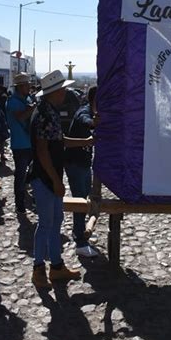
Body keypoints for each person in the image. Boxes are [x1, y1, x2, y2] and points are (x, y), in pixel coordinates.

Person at [30, 70, 93, 289]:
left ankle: (56, 267)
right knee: (46, 224)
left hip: (50, 176)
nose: (65, 92)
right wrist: (56, 180)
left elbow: (60, 141)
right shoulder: (45, 115)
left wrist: (86, 141)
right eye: (62, 89)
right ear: (54, 91)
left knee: (54, 223)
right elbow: (42, 151)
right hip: (45, 177)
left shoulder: (49, 112)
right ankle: (39, 269)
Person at [65, 86, 98, 257]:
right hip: (76, 164)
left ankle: (78, 231)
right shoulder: (84, 112)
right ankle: (80, 242)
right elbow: (87, 121)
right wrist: (96, 123)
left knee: (85, 199)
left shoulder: (90, 111)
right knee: (80, 202)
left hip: (83, 163)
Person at [6, 73, 36, 213]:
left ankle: (32, 198)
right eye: (27, 84)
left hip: (30, 142)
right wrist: (32, 109)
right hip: (19, 144)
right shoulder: (12, 102)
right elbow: (21, 117)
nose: (29, 87)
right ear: (20, 87)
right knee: (20, 175)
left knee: (32, 172)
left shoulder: (28, 98)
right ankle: (20, 204)